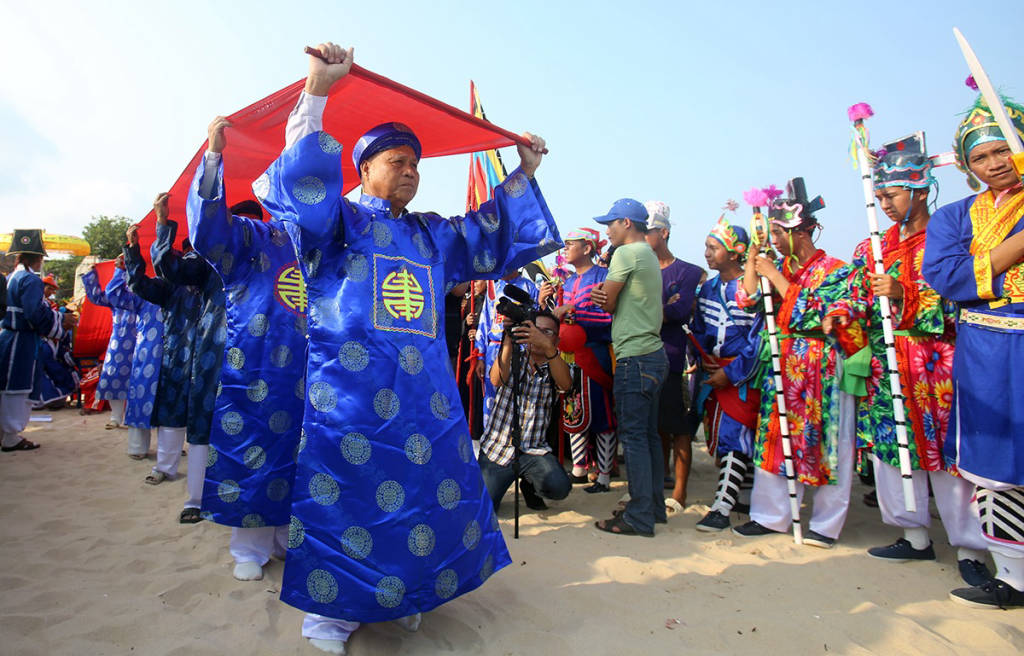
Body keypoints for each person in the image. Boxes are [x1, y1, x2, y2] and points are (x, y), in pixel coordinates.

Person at [251, 43, 561, 653]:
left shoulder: (429, 234)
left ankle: (405, 593)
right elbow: (301, 182)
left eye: (416, 164)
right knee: (349, 497)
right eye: (397, 161)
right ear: (364, 169)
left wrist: (524, 172)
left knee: (421, 496)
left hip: (425, 400)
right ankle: (330, 617)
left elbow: (490, 232)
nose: (411, 171)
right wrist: (317, 90)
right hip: (351, 395)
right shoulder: (338, 224)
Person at [843, 133, 991, 585]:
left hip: (937, 360)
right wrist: (849, 309)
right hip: (889, 363)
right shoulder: (872, 246)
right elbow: (855, 301)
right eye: (880, 197)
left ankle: (970, 547)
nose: (885, 204)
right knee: (894, 449)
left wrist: (903, 293)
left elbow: (962, 295)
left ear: (921, 190)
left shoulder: (950, 237)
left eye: (893, 194)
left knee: (947, 454)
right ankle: (913, 536)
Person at [187, 115, 306, 581]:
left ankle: (285, 538)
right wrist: (214, 157)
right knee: (257, 447)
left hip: (313, 368)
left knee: (301, 453)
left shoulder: (325, 242)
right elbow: (208, 232)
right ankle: (249, 549)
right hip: (258, 363)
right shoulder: (254, 235)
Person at [922, 90, 1024, 609]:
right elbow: (948, 278)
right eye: (980, 156)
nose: (995, 163)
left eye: (1003, 149)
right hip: (987, 350)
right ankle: (1013, 574)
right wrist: (1017, 247)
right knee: (996, 461)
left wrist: (987, 270)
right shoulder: (954, 217)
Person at [732, 178, 858, 548]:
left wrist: (775, 276)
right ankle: (770, 516)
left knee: (829, 443)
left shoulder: (838, 270)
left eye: (777, 232)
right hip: (783, 364)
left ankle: (826, 524)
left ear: (800, 232)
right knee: (775, 438)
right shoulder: (776, 265)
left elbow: (823, 315)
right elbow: (747, 299)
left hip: (822, 366)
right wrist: (754, 260)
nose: (772, 239)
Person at [590, 198, 668, 537]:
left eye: (610, 224)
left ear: (626, 223)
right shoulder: (648, 254)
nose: (607, 231)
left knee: (634, 439)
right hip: (653, 354)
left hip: (634, 356)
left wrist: (601, 296)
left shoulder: (624, 254)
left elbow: (608, 301)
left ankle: (638, 516)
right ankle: (653, 508)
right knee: (648, 437)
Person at [150, 192, 228, 524]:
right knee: (201, 423)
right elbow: (168, 269)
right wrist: (162, 225)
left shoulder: (264, 257)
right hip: (208, 355)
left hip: (255, 358)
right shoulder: (207, 263)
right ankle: (196, 498)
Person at [692, 217, 763, 532]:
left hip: (742, 376)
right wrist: (702, 356)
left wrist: (731, 373)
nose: (707, 253)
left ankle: (721, 507)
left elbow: (758, 340)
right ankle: (743, 497)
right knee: (723, 435)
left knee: (735, 437)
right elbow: (700, 329)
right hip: (714, 373)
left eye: (714, 247)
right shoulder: (707, 289)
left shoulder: (752, 290)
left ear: (735, 254)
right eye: (706, 246)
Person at [123, 220, 200, 492]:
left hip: (211, 355)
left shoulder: (219, 279)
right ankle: (165, 467)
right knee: (172, 411)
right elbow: (139, 284)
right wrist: (133, 252)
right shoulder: (172, 285)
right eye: (189, 254)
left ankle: (206, 474)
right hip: (178, 353)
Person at [643, 201, 706, 510]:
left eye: (647, 231)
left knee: (678, 426)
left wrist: (649, 311)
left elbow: (679, 312)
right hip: (642, 354)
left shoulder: (689, 272)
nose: (642, 237)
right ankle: (657, 484)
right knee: (653, 426)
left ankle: (679, 493)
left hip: (673, 356)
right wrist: (663, 308)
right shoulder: (639, 270)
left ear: (663, 232)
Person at [478, 310, 572, 511]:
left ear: (557, 340)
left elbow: (566, 383)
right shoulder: (514, 357)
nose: (538, 336)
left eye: (547, 332)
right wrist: (508, 339)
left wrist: (547, 347)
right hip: (498, 449)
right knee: (485, 507)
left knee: (559, 487)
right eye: (535, 330)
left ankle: (530, 487)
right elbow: (495, 380)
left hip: (534, 450)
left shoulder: (556, 365)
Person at [0, 229, 76, 451]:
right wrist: (61, 320)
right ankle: (11, 436)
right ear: (37, 258)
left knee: (6, 386)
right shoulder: (31, 280)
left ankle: (6, 433)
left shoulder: (11, 277)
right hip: (21, 341)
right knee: (18, 387)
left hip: (8, 337)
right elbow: (34, 313)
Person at [552, 228, 616, 493]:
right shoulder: (567, 283)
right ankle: (579, 467)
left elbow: (609, 317)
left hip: (594, 353)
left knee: (602, 413)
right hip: (570, 357)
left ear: (588, 248)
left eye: (571, 244)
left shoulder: (603, 277)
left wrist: (574, 314)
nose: (566, 248)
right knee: (573, 409)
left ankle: (604, 474)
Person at [104, 247, 164, 460]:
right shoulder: (145, 289)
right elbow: (114, 295)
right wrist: (120, 271)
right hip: (147, 353)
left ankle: (169, 447)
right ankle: (138, 447)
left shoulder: (185, 289)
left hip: (176, 353)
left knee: (170, 400)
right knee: (141, 396)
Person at [474, 267, 538, 434]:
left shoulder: (529, 287)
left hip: (521, 349)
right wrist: (480, 356)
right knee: (491, 398)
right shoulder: (493, 288)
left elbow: (536, 319)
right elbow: (484, 322)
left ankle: (515, 438)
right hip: (493, 350)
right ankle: (490, 436)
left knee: (517, 397)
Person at [81, 255, 136, 429]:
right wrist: (91, 275)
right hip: (119, 342)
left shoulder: (142, 292)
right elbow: (96, 297)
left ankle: (133, 417)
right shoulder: (114, 295)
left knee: (139, 381)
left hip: (142, 342)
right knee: (115, 377)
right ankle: (115, 417)